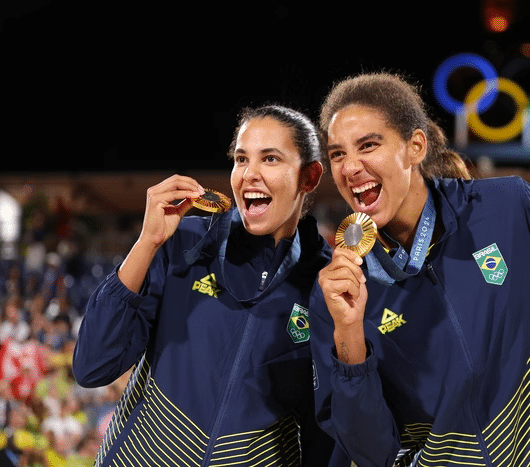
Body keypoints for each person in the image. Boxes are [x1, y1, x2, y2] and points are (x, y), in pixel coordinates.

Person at [310, 72, 530, 467]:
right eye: (337, 154)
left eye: (368, 145)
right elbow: (373, 453)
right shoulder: (336, 295)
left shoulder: (509, 209)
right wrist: (349, 335)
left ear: (415, 146)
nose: (350, 167)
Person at [72, 105, 348, 466]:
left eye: (270, 159)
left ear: (309, 177)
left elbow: (322, 437)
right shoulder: (185, 244)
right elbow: (93, 366)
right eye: (241, 159)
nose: (250, 174)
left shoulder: (324, 285)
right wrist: (146, 243)